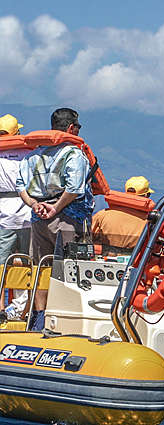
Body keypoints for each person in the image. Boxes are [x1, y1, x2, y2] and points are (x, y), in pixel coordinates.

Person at [16, 108, 93, 330]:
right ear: (71, 128)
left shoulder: (33, 155)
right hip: (68, 218)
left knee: (42, 267)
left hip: (38, 219)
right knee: (71, 268)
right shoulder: (74, 154)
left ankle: (39, 318)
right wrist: (55, 207)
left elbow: (21, 186)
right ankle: (69, 318)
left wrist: (35, 205)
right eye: (78, 127)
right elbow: (74, 189)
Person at [0, 114, 31, 322]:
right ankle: (24, 309)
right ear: (16, 133)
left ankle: (1, 307)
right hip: (28, 210)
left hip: (2, 213)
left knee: (1, 264)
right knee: (26, 261)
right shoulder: (28, 154)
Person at [91, 176, 154, 254]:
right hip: (136, 263)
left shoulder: (102, 215)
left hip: (105, 260)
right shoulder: (151, 221)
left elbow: (87, 235)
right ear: (146, 196)